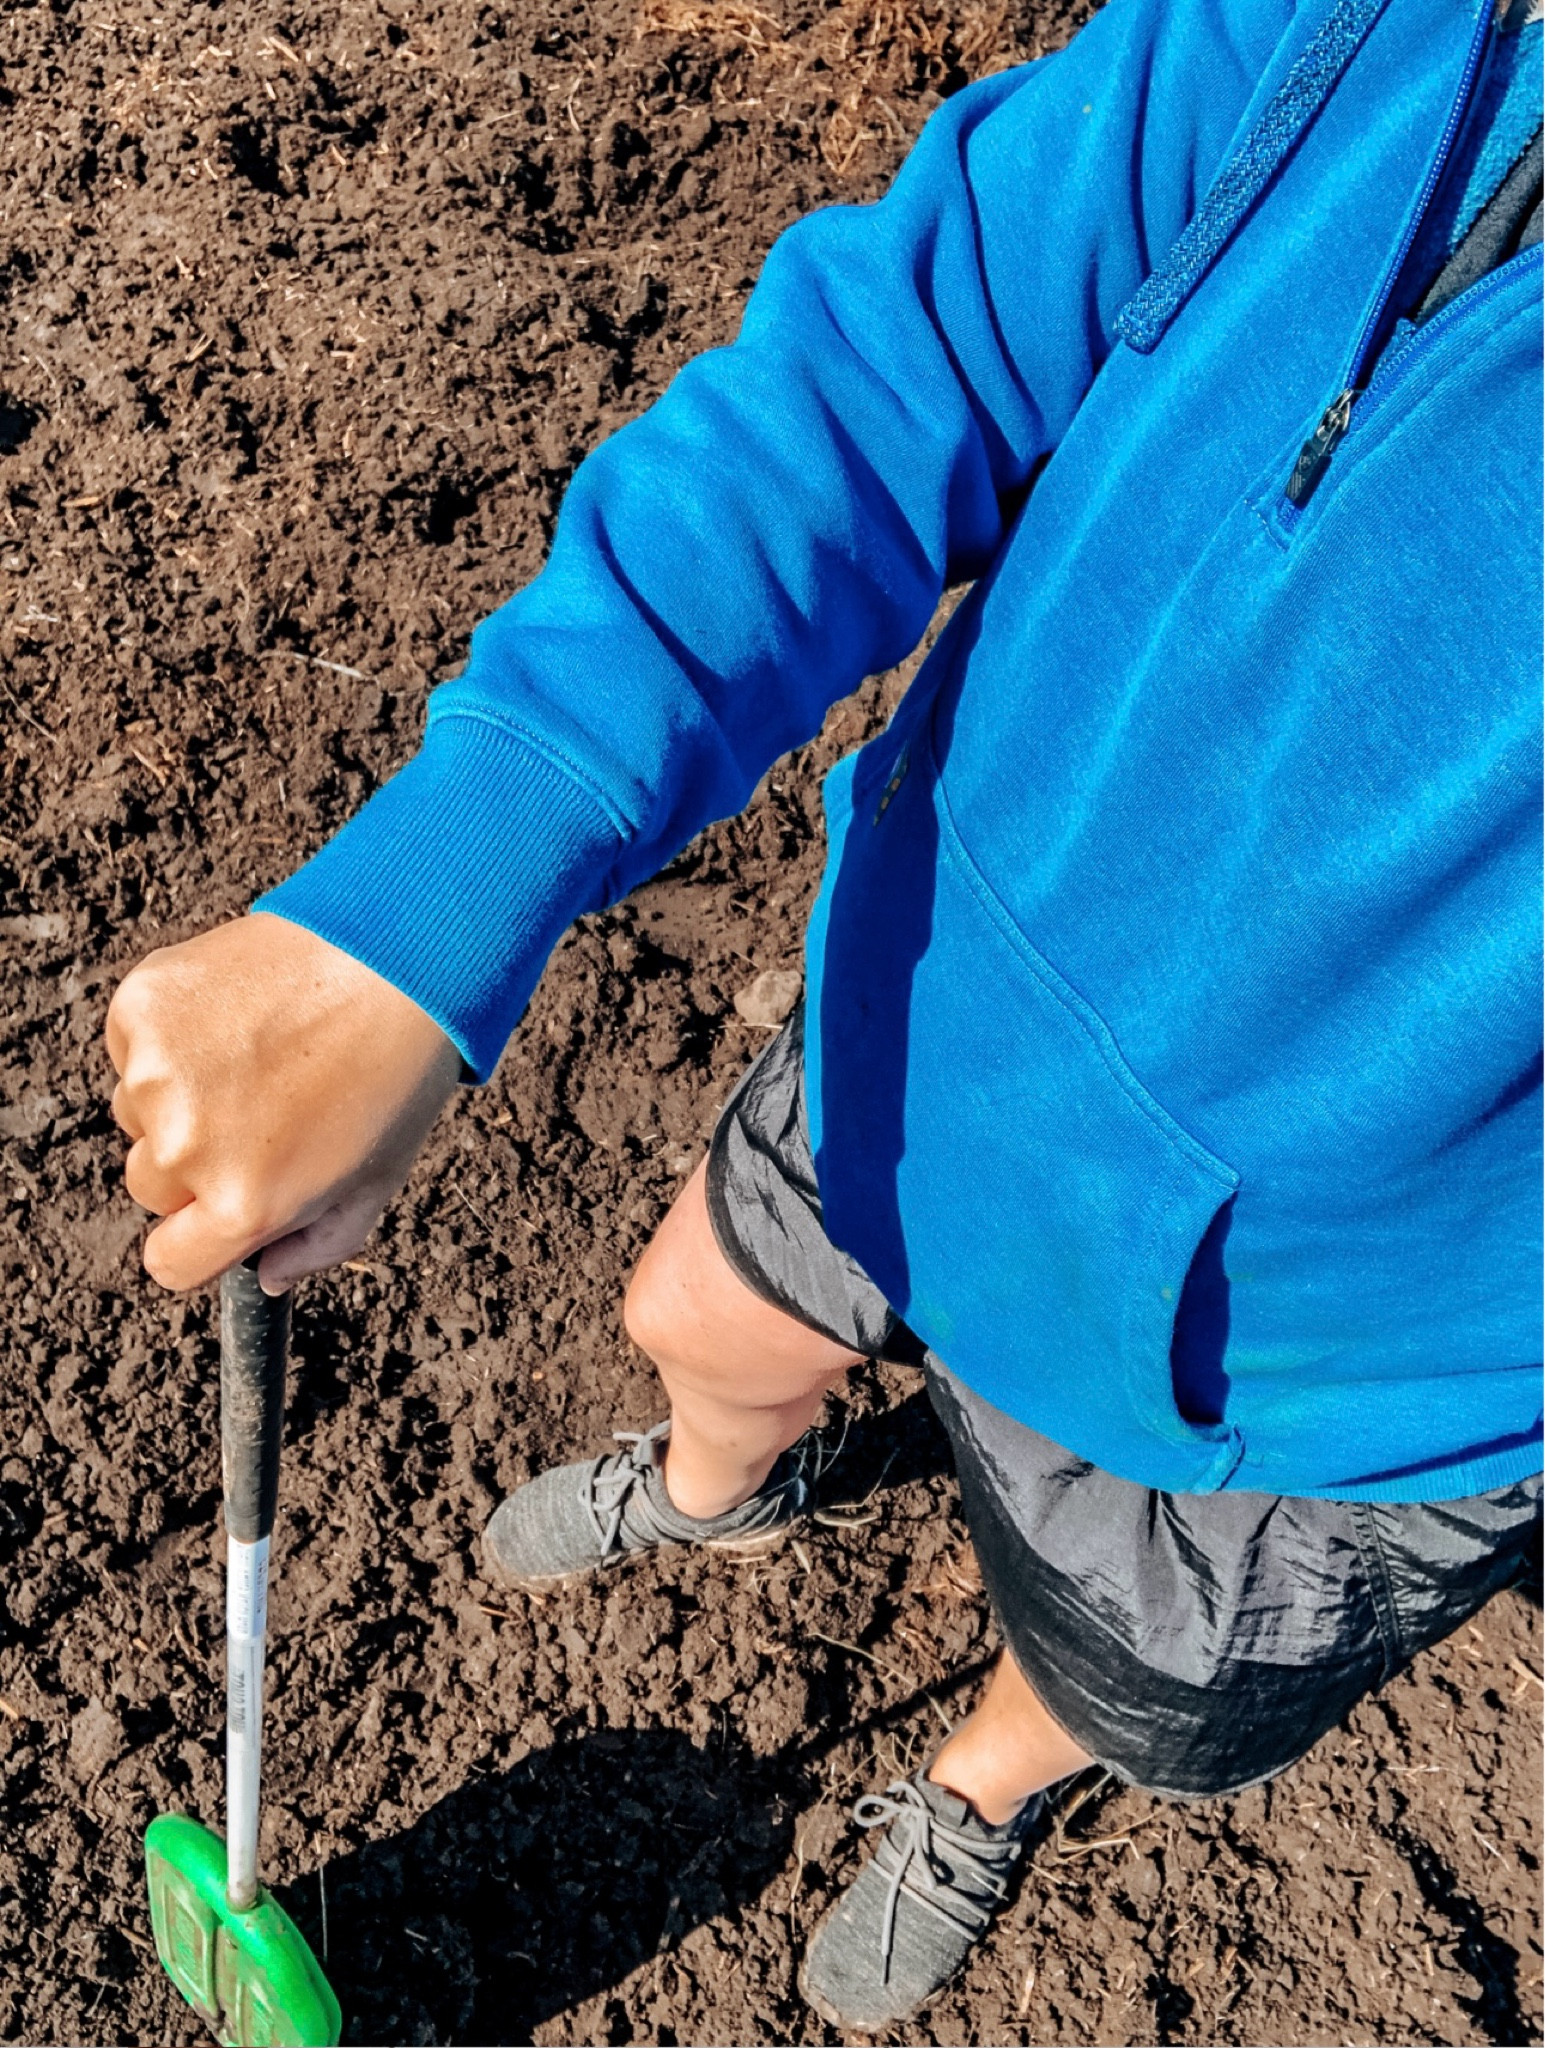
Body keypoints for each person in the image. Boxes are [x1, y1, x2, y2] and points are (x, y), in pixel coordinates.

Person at [107, 0, 1542, 2024]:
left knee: (1106, 1672)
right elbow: (911, 349)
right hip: (939, 1037)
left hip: (1343, 1371)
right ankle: (722, 1484)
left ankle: (970, 1791)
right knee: (695, 1312)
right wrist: (435, 890)